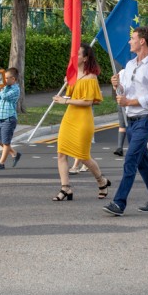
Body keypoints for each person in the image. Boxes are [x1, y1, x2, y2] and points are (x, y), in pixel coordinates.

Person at [103, 27, 148, 215]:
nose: (130, 41)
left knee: (130, 160)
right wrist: (117, 85)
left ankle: (119, 203)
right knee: (142, 162)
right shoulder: (130, 65)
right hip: (130, 121)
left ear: (142, 41)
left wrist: (128, 102)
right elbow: (123, 90)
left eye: (133, 38)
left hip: (145, 121)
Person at [52, 43, 109, 201]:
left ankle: (102, 181)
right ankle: (65, 188)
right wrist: (68, 83)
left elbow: (88, 101)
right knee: (61, 153)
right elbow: (72, 96)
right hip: (69, 117)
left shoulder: (91, 77)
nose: (74, 56)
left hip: (83, 120)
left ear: (85, 58)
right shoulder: (73, 74)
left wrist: (65, 101)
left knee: (83, 156)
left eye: (77, 54)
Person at [0, 67, 22, 170]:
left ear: (13, 79)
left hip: (9, 118)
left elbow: (5, 97)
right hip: (0, 118)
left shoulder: (15, 89)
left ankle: (1, 163)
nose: (4, 80)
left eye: (6, 78)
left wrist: (1, 88)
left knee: (6, 142)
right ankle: (15, 153)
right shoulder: (4, 88)